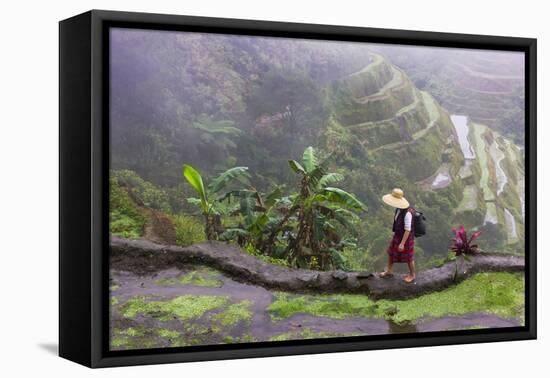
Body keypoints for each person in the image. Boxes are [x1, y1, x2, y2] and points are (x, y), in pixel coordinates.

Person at [379, 188, 416, 283]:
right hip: (398, 235)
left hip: (406, 238)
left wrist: (402, 243)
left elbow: (408, 230)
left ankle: (412, 275)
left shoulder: (407, 213)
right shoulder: (399, 209)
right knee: (391, 252)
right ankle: (389, 270)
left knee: (409, 257)